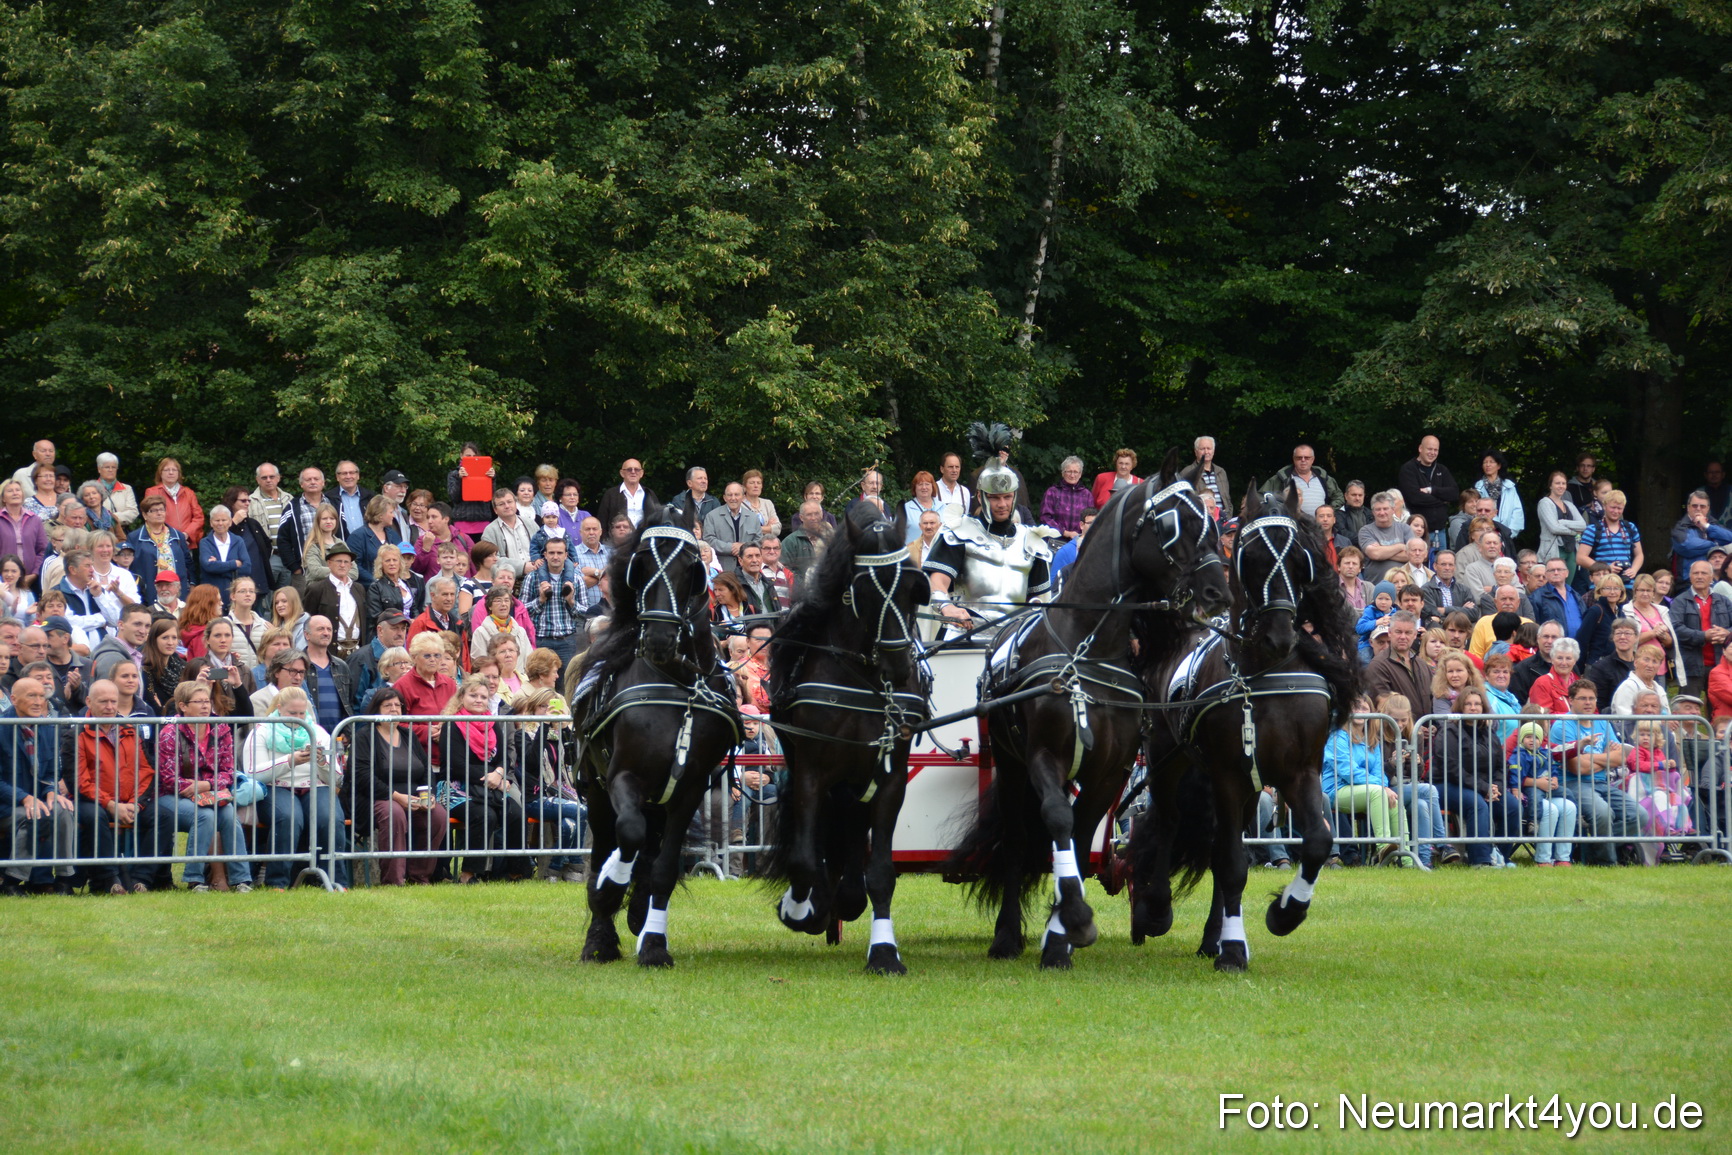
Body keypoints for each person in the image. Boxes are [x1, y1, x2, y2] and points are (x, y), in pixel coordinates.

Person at [923, 457, 1053, 631]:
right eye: (994, 498)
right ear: (980, 496)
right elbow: (938, 581)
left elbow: (1039, 599)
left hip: (1015, 637)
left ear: (1014, 497)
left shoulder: (1031, 540)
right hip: (965, 632)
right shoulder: (959, 532)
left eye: (1007, 497)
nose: (1002, 504)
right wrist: (947, 607)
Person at [154, 679, 253, 891]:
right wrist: (196, 789)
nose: (205, 706)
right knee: (205, 816)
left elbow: (228, 772)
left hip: (209, 792)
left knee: (229, 816)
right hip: (173, 796)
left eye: (207, 701)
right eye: (198, 702)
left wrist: (205, 785)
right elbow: (169, 779)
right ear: (183, 706)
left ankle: (241, 880)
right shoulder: (170, 733)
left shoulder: (221, 729)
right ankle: (195, 879)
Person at [348, 686, 446, 884]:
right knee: (394, 813)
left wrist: (429, 794)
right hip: (375, 798)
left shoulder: (408, 735)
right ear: (376, 709)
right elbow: (362, 776)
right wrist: (396, 796)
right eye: (387, 705)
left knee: (438, 815)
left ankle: (420, 876)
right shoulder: (364, 737)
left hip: (413, 797)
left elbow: (426, 769)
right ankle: (393, 879)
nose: (394, 709)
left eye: (397, 705)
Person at [1549, 679, 1645, 865]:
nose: (1588, 702)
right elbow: (1578, 767)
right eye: (1582, 698)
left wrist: (1591, 758)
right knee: (1603, 813)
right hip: (1573, 783)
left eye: (1591, 698)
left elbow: (1621, 758)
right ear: (1571, 700)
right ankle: (1607, 863)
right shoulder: (1563, 725)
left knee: (1639, 815)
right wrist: (1606, 758)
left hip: (1602, 782)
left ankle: (1588, 850)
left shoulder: (1602, 722)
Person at [441, 675, 526, 882]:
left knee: (515, 813)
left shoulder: (492, 723)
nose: (479, 700)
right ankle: (468, 874)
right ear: (462, 697)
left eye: (483, 697)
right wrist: (490, 778)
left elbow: (504, 757)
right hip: (457, 788)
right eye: (473, 695)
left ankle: (515, 872)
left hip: (491, 786)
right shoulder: (452, 725)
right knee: (485, 815)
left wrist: (499, 773)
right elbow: (456, 765)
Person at [74, 679, 156, 893]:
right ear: (89, 702)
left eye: (113, 701)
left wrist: (135, 804)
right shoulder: (77, 733)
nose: (110, 707)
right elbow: (80, 781)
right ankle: (109, 879)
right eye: (103, 702)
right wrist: (110, 804)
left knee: (163, 816)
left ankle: (142, 879)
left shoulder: (130, 730)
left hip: (128, 801)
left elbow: (146, 771)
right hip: (92, 801)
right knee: (95, 816)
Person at [0, 677, 77, 894]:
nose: (38, 702)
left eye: (41, 696)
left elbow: (52, 772)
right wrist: (24, 798)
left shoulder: (47, 728)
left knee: (63, 810)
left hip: (37, 800)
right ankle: (12, 882)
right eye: (31, 696)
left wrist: (51, 791)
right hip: (7, 805)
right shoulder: (2, 727)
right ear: (14, 699)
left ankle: (64, 879)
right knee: (33, 815)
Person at [1321, 697, 1417, 867]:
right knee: (1378, 792)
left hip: (1367, 790)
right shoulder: (1337, 736)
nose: (1360, 712)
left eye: (1365, 708)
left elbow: (1379, 771)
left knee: (1394, 800)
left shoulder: (1372, 740)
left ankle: (1406, 858)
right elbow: (1348, 771)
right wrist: (1380, 787)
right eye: (1355, 707)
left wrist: (1384, 787)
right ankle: (1383, 847)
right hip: (1337, 789)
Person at [1433, 688, 1522, 866]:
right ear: (1460, 706)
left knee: (1513, 807)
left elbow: (1501, 766)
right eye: (1468, 704)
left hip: (1484, 786)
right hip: (1447, 784)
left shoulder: (1489, 733)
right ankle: (1480, 860)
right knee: (1477, 804)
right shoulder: (1449, 731)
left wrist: (1496, 787)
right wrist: (1483, 788)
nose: (1473, 708)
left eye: (1477, 704)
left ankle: (1500, 857)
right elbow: (1452, 768)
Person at [509, 687, 586, 882]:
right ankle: (574, 865)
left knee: (569, 824)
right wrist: (544, 725)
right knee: (582, 811)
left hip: (562, 794)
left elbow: (574, 760)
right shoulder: (523, 734)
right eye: (542, 706)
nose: (547, 710)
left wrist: (565, 728)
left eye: (551, 706)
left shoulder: (558, 733)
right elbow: (532, 763)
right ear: (533, 709)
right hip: (535, 798)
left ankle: (553, 871)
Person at [1508, 721, 1577, 866]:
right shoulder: (1518, 753)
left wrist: (1555, 779)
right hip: (1529, 790)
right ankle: (1543, 856)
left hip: (1548, 788)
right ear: (1521, 738)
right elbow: (1514, 774)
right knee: (1549, 809)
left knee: (1569, 805)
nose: (1532, 740)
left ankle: (1563, 857)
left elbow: (1553, 767)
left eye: (1535, 737)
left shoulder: (1544, 753)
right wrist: (1517, 788)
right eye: (1528, 737)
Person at [1669, 560, 1732, 699]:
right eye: (1695, 573)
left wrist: (1728, 633)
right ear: (1690, 576)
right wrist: (1703, 636)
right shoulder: (1680, 601)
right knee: (1688, 706)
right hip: (1691, 666)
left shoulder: (1724, 601)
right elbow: (1675, 629)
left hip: (1721, 665)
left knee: (1719, 707)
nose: (1699, 576)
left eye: (1704, 573)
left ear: (1711, 577)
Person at [302, 542, 367, 660]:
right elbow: (307, 621)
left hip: (358, 652)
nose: (342, 565)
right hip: (328, 652)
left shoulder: (359, 588)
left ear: (350, 565)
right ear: (329, 563)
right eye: (338, 561)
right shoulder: (316, 589)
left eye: (346, 562)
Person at [524, 536, 582, 666]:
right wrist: (540, 600)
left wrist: (571, 602)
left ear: (566, 555)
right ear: (545, 555)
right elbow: (522, 612)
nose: (555, 557)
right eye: (551, 553)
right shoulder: (532, 578)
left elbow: (585, 613)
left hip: (567, 641)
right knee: (540, 678)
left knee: (566, 679)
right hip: (540, 640)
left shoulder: (576, 579)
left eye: (559, 553)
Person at [125, 495, 192, 606]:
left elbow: (188, 562)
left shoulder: (177, 535)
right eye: (154, 510)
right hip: (149, 591)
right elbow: (130, 566)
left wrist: (191, 584)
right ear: (145, 515)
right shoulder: (134, 537)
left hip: (176, 591)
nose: (159, 513)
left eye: (162, 509)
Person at [272, 466, 330, 587]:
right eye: (308, 479)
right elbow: (283, 540)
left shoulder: (334, 504)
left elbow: (344, 534)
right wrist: (295, 568)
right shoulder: (292, 508)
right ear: (301, 484)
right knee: (304, 600)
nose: (313, 482)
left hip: (332, 568)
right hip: (304, 572)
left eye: (316, 479)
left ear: (323, 483)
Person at [1577, 488, 1643, 590]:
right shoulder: (1593, 529)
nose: (1616, 511)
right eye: (1612, 507)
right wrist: (1606, 568)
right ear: (1604, 506)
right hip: (1602, 583)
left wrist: (1634, 570)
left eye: (1619, 508)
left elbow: (1639, 555)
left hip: (1627, 584)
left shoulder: (1630, 527)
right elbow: (1580, 558)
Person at [1623, 573, 1684, 679]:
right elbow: (1629, 641)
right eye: (1642, 590)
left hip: (1659, 666)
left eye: (1649, 590)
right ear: (1635, 591)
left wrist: (1663, 635)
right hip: (1637, 667)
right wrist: (1653, 633)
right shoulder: (1626, 611)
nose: (1645, 593)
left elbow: (1670, 644)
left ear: (1653, 593)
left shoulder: (1662, 611)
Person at [349, 609, 410, 713]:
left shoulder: (407, 657)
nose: (400, 633)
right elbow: (354, 704)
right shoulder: (361, 658)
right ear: (380, 630)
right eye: (395, 628)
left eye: (403, 629)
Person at [300, 615, 354, 732]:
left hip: (338, 736)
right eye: (320, 629)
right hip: (307, 734)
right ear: (306, 635)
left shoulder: (341, 666)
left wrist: (347, 732)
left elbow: (348, 703)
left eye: (329, 629)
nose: (326, 633)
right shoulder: (298, 665)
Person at [194, 505, 250, 611]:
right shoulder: (205, 542)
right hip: (211, 597)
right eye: (217, 520)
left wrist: (219, 567)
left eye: (224, 520)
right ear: (211, 523)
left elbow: (247, 568)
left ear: (230, 522)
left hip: (235, 597)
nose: (220, 523)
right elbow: (208, 566)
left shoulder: (238, 541)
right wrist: (234, 564)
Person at [220, 488, 275, 594]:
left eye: (248, 500)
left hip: (258, 579)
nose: (247, 503)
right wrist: (234, 522)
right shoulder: (221, 524)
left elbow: (267, 545)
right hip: (235, 581)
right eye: (243, 501)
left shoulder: (253, 523)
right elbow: (220, 542)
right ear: (231, 502)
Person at [1261, 444, 1341, 515]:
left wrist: (1328, 512)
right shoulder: (1282, 478)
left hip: (1320, 525)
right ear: (1294, 459)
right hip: (1293, 523)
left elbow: (1338, 497)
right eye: (1299, 458)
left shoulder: (1323, 477)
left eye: (1307, 458)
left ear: (1312, 459)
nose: (1303, 460)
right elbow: (1261, 497)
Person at [702, 482, 762, 575]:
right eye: (729, 495)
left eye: (737, 494)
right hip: (722, 570)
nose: (733, 498)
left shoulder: (753, 517)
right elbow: (709, 540)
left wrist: (743, 547)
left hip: (748, 571)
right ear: (724, 498)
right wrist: (730, 548)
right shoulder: (712, 516)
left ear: (743, 497)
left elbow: (759, 541)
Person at [143, 457, 204, 549]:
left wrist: (186, 534)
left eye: (174, 470)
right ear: (160, 473)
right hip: (161, 542)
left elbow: (198, 518)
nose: (171, 473)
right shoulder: (152, 492)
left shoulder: (189, 493)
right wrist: (169, 536)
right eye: (167, 470)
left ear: (179, 473)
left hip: (185, 542)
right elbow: (152, 517)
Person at [1355, 492, 1415, 583]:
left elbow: (1412, 555)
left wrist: (1382, 551)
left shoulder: (1405, 528)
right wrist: (1400, 547)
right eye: (1378, 509)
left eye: (1385, 509)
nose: (1382, 513)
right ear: (1373, 512)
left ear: (1393, 510)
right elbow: (1375, 554)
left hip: (1403, 586)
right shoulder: (1365, 531)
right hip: (1376, 586)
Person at [347, 494, 404, 586]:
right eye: (391, 512)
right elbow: (355, 565)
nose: (393, 516)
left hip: (394, 588)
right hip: (369, 588)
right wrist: (377, 582)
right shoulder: (357, 537)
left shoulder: (393, 535)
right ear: (381, 515)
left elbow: (402, 559)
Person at [365, 544, 424, 633]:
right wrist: (405, 622)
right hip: (390, 633)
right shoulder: (376, 587)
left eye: (395, 560)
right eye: (387, 560)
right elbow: (376, 617)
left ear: (400, 563)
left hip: (410, 631)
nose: (392, 563)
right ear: (381, 564)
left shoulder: (405, 583)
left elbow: (414, 608)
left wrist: (415, 621)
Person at [1671, 489, 1732, 572]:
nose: (1698, 509)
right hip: (1689, 577)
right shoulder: (1680, 527)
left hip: (1714, 576)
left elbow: (1730, 537)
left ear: (1708, 508)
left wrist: (1707, 526)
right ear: (1688, 507)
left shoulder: (1712, 524)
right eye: (1694, 506)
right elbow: (1687, 546)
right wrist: (1716, 545)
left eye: (1702, 506)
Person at [1584, 619, 1639, 707]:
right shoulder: (1600, 667)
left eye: (1627, 633)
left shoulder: (1642, 664)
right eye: (1618, 633)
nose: (1623, 637)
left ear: (1636, 637)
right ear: (1613, 637)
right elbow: (1599, 703)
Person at [480, 487, 532, 578]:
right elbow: (490, 559)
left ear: (515, 504)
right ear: (495, 510)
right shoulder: (490, 531)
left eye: (509, 502)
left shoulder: (530, 523)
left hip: (536, 575)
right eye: (501, 504)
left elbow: (543, 548)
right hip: (507, 579)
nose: (507, 506)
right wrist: (522, 567)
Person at [1039, 457, 1092, 540]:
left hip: (1078, 540)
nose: (1072, 475)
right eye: (1069, 471)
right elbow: (1045, 518)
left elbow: (1090, 520)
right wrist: (1065, 532)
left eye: (1075, 472)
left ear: (1080, 474)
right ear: (1063, 473)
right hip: (1055, 539)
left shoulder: (1087, 495)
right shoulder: (1052, 492)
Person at [1526, 636, 1583, 713]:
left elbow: (1592, 711)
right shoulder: (1542, 684)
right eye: (1560, 658)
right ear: (1552, 660)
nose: (1564, 663)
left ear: (1575, 661)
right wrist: (1574, 716)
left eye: (1568, 658)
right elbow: (1545, 716)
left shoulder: (1580, 684)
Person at [140, 618, 184, 714]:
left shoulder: (182, 667)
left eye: (174, 638)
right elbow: (153, 706)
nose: (170, 642)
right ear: (154, 640)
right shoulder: (145, 669)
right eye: (165, 638)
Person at [781, 500, 831, 581]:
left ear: (822, 515)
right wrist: (802, 582)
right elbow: (783, 568)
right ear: (801, 517)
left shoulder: (830, 539)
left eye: (816, 513)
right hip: (802, 587)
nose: (813, 518)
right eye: (809, 514)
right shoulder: (790, 542)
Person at [330, 460, 374, 538]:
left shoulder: (370, 497)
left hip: (367, 542)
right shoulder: (329, 498)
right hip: (341, 543)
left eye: (352, 473)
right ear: (337, 477)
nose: (348, 476)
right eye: (344, 473)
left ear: (358, 476)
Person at [269, 585, 310, 651]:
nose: (279, 605)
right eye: (276, 603)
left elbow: (299, 654)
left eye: (284, 601)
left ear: (294, 602)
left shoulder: (304, 628)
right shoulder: (276, 625)